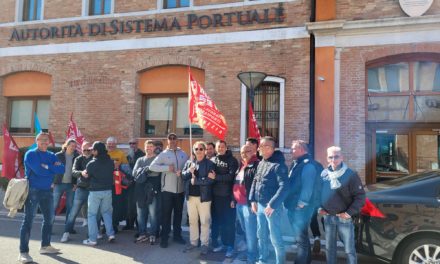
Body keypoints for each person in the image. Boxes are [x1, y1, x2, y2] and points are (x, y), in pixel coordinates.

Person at [18, 132, 65, 263]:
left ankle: (45, 246)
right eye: (41, 140)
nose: (44, 143)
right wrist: (51, 169)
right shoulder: (31, 154)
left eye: (46, 140)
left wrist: (47, 167)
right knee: (28, 220)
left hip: (48, 191)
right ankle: (23, 252)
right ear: (36, 141)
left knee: (49, 219)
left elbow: (62, 169)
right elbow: (39, 171)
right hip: (33, 190)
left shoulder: (51, 155)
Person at [319, 146, 366, 264]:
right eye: (330, 157)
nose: (333, 159)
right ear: (327, 158)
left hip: (344, 218)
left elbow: (360, 196)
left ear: (342, 157)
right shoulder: (324, 174)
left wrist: (349, 213)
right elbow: (317, 194)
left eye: (336, 156)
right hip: (328, 217)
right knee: (330, 249)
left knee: (349, 249)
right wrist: (319, 208)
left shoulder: (351, 174)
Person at [249, 136, 288, 264]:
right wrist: (252, 200)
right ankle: (263, 260)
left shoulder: (279, 165)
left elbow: (284, 187)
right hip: (259, 206)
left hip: (272, 208)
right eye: (260, 146)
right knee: (261, 235)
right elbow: (255, 180)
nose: (260, 148)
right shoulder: (261, 162)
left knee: (275, 238)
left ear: (271, 148)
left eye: (264, 146)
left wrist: (272, 205)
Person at [284, 140, 323, 264]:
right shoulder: (297, 163)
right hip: (295, 206)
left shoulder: (308, 164)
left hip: (300, 208)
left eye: (294, 148)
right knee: (303, 239)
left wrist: (301, 203)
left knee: (301, 240)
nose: (291, 150)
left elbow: (308, 186)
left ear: (302, 149)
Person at [150, 133, 189, 248]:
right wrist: (167, 168)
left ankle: (177, 236)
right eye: (170, 139)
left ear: (177, 140)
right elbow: (152, 166)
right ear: (167, 141)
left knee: (178, 214)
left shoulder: (183, 154)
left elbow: (187, 167)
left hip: (180, 190)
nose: (172, 140)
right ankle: (164, 238)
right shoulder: (163, 154)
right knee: (166, 215)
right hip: (167, 190)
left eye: (174, 138)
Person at [182, 141, 215, 255]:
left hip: (204, 198)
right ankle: (193, 242)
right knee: (192, 221)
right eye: (196, 149)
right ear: (194, 151)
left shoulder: (210, 164)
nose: (199, 151)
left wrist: (196, 181)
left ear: (205, 151)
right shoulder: (189, 162)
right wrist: (189, 171)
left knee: (205, 221)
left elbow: (210, 180)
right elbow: (183, 176)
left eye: (201, 149)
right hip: (190, 197)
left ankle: (204, 244)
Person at [83, 141, 116, 246]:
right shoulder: (110, 161)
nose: (92, 151)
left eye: (93, 150)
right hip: (108, 190)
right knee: (106, 213)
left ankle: (92, 239)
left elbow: (86, 178)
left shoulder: (92, 163)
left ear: (97, 151)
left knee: (92, 215)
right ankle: (110, 234)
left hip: (95, 191)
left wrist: (83, 174)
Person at [61, 141, 94, 243]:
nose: (86, 151)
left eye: (88, 150)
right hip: (81, 189)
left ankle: (92, 235)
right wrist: (81, 173)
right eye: (84, 150)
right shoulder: (78, 159)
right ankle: (66, 233)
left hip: (93, 189)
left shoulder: (95, 159)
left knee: (93, 213)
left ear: (91, 150)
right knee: (73, 212)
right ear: (81, 150)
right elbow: (73, 171)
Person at [211, 140, 239, 258]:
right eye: (219, 147)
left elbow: (231, 177)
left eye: (223, 147)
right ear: (216, 148)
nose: (220, 149)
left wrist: (216, 177)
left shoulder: (232, 160)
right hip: (215, 197)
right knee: (219, 222)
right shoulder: (213, 160)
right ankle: (223, 243)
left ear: (226, 147)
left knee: (229, 223)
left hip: (227, 197)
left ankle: (230, 246)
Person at [233, 145, 259, 264]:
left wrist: (253, 201)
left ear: (253, 151)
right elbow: (237, 183)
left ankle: (252, 257)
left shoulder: (257, 165)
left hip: (248, 205)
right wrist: (234, 199)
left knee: (250, 232)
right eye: (242, 152)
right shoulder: (242, 165)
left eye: (247, 152)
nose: (244, 154)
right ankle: (251, 252)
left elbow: (257, 186)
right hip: (239, 203)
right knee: (245, 230)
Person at [132, 140, 161, 245]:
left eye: (151, 146)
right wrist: (147, 170)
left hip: (152, 190)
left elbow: (156, 173)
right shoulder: (140, 159)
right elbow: (134, 173)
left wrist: (142, 171)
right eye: (147, 146)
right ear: (144, 148)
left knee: (153, 214)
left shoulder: (157, 159)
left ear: (154, 148)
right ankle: (142, 234)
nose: (148, 148)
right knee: (140, 214)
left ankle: (153, 234)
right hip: (140, 190)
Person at [53, 139, 79, 224]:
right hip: (58, 184)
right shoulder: (58, 155)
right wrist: (52, 182)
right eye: (71, 146)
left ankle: (68, 227)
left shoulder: (77, 157)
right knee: (54, 205)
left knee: (70, 206)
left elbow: (78, 171)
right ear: (66, 146)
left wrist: (76, 184)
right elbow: (51, 169)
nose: (73, 148)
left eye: (75, 146)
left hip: (71, 185)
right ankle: (48, 226)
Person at [106, 136, 128, 233]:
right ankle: (106, 225)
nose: (110, 145)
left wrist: (119, 167)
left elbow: (126, 169)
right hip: (105, 183)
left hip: (117, 185)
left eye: (112, 144)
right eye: (109, 144)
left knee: (116, 205)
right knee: (105, 205)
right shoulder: (103, 153)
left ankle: (114, 225)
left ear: (116, 144)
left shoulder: (121, 154)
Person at [124, 138, 145, 230]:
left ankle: (139, 226)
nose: (132, 145)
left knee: (138, 206)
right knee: (129, 205)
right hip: (129, 184)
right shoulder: (129, 154)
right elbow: (127, 168)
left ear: (137, 144)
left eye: (134, 143)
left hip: (139, 184)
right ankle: (129, 224)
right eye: (130, 143)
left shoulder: (142, 155)